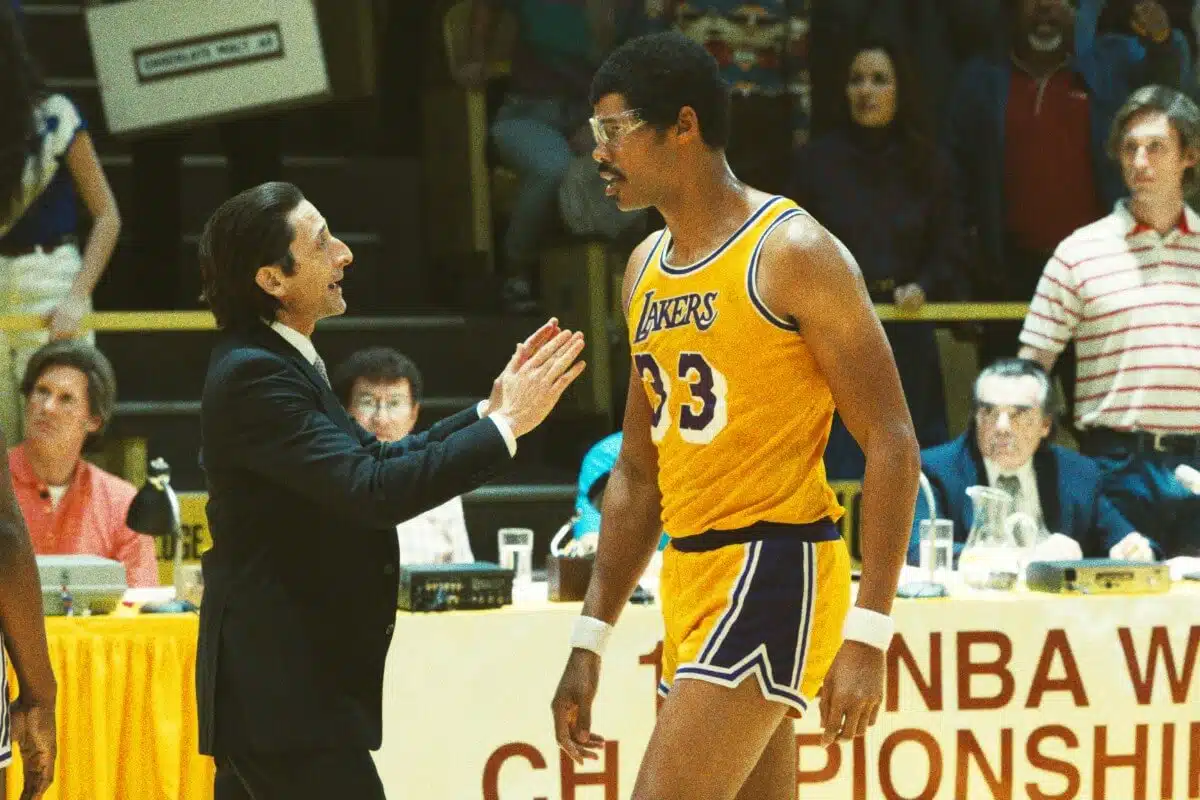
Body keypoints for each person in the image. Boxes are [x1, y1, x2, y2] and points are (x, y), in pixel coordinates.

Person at [550, 32, 920, 800]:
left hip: (775, 565)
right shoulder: (642, 268)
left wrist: (870, 631)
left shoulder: (792, 250)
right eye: (595, 133)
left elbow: (891, 441)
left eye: (614, 129)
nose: (599, 153)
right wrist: (590, 637)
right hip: (690, 575)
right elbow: (638, 473)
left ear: (684, 125)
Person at [195, 181, 586, 798]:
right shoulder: (256, 373)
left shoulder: (278, 360)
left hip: (284, 698)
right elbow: (372, 490)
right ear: (272, 279)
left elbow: (375, 458)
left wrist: (490, 413)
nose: (345, 253)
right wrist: (508, 428)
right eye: (322, 243)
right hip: (284, 698)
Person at [1019, 84, 1200, 559]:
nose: (1139, 161)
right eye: (1129, 148)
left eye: (1156, 147)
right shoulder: (1078, 252)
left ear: (1190, 155)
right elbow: (1030, 370)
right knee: (1116, 598)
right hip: (1113, 466)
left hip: (1198, 460)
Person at [790, 33, 963, 479]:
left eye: (879, 80)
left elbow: (949, 246)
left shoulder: (930, 164)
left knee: (913, 465)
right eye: (857, 80)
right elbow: (792, 246)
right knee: (837, 469)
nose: (866, 91)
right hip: (836, 334)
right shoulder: (816, 163)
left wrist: (923, 285)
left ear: (901, 89)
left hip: (907, 327)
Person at [0, 5, 121, 440]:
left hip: (51, 279)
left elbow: (107, 216)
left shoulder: (55, 115)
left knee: (50, 438)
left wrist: (76, 296)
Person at [910, 358, 1151, 565]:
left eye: (1018, 414)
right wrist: (1021, 558)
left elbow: (1125, 539)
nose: (1002, 427)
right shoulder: (936, 470)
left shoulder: (1078, 474)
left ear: (1045, 424)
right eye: (989, 412)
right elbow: (918, 550)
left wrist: (1135, 550)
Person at [10, 340, 157, 586]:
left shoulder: (121, 503)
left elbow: (140, 598)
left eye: (66, 399)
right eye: (42, 391)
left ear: (93, 421)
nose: (47, 407)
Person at [331, 346, 473, 564]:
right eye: (368, 403)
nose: (381, 419)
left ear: (414, 414)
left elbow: (464, 571)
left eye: (394, 403)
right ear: (344, 412)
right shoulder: (326, 480)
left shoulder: (439, 481)